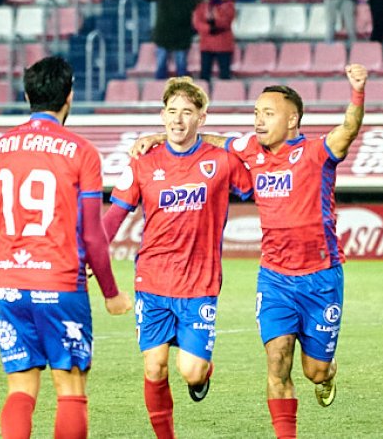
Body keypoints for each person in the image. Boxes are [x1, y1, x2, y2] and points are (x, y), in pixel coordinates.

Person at [131, 65, 369, 438]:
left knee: (314, 370)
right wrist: (159, 138)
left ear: (292, 119)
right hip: (274, 278)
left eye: (268, 113)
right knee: (277, 363)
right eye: (256, 113)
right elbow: (207, 138)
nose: (258, 120)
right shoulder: (250, 151)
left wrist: (357, 92)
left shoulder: (315, 153)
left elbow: (349, 129)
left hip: (321, 276)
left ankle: (327, 376)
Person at [0, 55, 132, 439]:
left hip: (9, 283)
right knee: (70, 386)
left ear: (27, 93)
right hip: (60, 283)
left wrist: (2, 280)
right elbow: (93, 234)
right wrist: (111, 293)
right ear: (70, 97)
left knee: (20, 387)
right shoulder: (81, 152)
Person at [102, 77, 253, 438]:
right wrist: (89, 252)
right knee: (154, 367)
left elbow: (258, 174)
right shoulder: (142, 163)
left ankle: (204, 370)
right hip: (152, 281)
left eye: (188, 112)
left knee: (191, 371)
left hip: (199, 284)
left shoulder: (221, 161)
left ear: (202, 117)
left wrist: (223, 141)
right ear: (162, 115)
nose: (178, 120)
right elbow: (113, 217)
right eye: (172, 112)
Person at [144, 0, 203, 80]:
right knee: (161, 64)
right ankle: (159, 91)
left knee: (181, 65)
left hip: (182, 34)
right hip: (164, 32)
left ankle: (183, 91)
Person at [192, 0, 236, 81]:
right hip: (207, 46)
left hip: (223, 46)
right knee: (204, 75)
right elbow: (197, 22)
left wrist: (213, 23)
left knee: (224, 75)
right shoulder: (202, 6)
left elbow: (226, 21)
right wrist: (210, 28)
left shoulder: (228, 5)